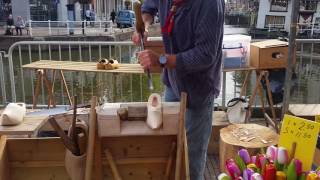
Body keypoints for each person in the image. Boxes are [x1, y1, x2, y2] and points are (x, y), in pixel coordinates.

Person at [132, 0, 224, 179]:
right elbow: (150, 5)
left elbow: (205, 55)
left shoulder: (210, 4)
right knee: (170, 143)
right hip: (174, 82)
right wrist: (144, 23)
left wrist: (162, 61)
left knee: (191, 155)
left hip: (199, 88)